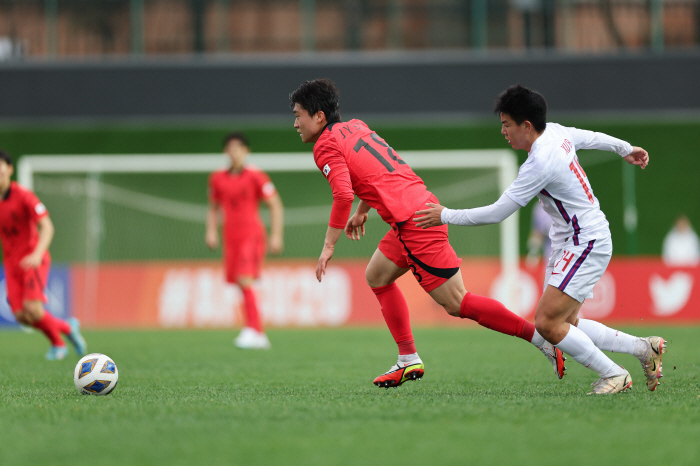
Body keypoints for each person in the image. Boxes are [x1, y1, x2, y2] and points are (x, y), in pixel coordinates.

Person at [289, 78, 565, 389]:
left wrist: (328, 246)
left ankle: (539, 338)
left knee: (457, 303)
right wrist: (363, 211)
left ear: (319, 117)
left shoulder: (325, 145)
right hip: (415, 210)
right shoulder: (355, 127)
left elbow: (341, 195)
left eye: (298, 114)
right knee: (377, 276)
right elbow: (378, 173)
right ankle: (408, 359)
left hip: (414, 223)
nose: (295, 122)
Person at [415, 84, 666, 394]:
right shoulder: (557, 132)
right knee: (565, 324)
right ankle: (645, 349)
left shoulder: (539, 163)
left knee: (547, 323)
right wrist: (626, 148)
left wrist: (444, 215)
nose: (503, 131)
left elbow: (496, 213)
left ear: (527, 125)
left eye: (507, 124)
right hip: (570, 241)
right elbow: (591, 137)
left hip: (585, 240)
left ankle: (614, 375)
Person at [0, 150, 87, 360]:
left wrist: (38, 254)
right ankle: (68, 327)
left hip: (33, 259)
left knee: (33, 308)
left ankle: (58, 345)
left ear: (10, 170)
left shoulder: (24, 196)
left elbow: (47, 226)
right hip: (11, 264)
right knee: (21, 316)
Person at [206, 132, 284, 349]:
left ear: (246, 151)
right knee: (240, 284)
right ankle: (251, 328)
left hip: (252, 235)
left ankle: (257, 332)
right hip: (230, 237)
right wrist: (211, 231)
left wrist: (277, 235)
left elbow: (275, 204)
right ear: (225, 152)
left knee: (245, 279)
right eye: (230, 148)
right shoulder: (217, 178)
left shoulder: (256, 176)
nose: (234, 152)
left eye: (239, 148)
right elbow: (213, 208)